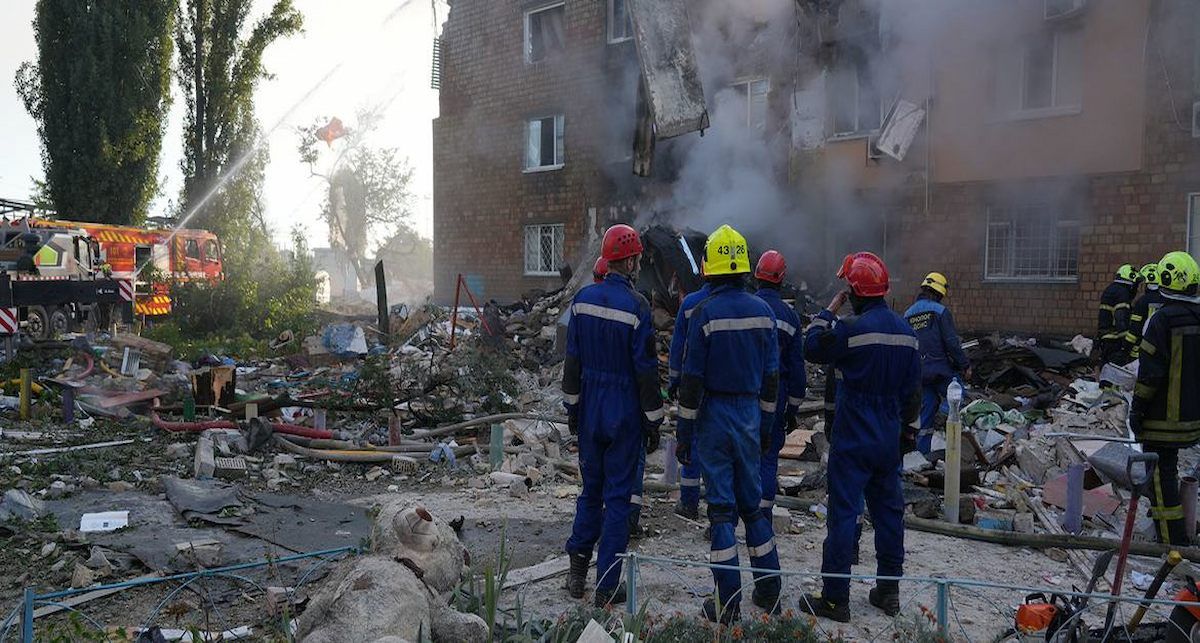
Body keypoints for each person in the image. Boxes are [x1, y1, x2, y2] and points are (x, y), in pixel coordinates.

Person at [800, 252, 921, 623]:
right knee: (888, 516)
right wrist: (906, 434)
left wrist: (828, 310)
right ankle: (888, 590)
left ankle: (836, 600)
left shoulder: (851, 331)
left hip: (853, 438)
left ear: (854, 292)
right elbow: (913, 393)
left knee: (843, 517)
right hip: (888, 437)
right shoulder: (907, 334)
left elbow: (812, 346)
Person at [676, 224, 782, 623]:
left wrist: (684, 436)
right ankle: (769, 588)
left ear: (710, 268)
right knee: (753, 506)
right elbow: (772, 380)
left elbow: (691, 383)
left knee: (721, 511)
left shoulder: (705, 314)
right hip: (750, 415)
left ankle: (727, 602)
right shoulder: (765, 312)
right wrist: (767, 428)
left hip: (714, 417)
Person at [562, 224, 664, 606]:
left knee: (591, 491)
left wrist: (573, 408)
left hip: (590, 409)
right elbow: (646, 372)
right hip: (624, 413)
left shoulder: (583, 301)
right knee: (619, 499)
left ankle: (576, 571)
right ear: (633, 260)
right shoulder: (638, 306)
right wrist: (653, 421)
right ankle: (606, 586)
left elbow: (571, 364)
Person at [1130, 251, 1200, 546]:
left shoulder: (1162, 321)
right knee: (1168, 475)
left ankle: (1173, 541)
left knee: (1160, 479)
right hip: (1192, 418)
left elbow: (1150, 375)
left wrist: (1137, 410)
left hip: (1162, 419)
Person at [753, 250, 806, 520]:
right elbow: (798, 368)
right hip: (777, 394)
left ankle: (726, 518)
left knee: (739, 454)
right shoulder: (790, 316)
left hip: (745, 389)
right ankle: (762, 517)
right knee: (768, 454)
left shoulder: (746, 307)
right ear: (781, 279)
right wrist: (793, 409)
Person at [903, 272, 970, 455]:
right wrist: (964, 365)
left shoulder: (908, 314)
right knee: (956, 395)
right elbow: (951, 342)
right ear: (939, 293)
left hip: (919, 373)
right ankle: (945, 422)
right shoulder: (940, 311)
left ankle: (921, 454)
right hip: (940, 370)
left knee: (926, 412)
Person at [669, 265, 712, 521]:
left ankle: (689, 503)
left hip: (693, 383)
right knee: (719, 448)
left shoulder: (690, 304)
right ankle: (720, 513)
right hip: (728, 390)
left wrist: (674, 380)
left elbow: (677, 347)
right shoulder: (748, 306)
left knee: (692, 441)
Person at [1097, 264, 1139, 365]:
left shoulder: (1111, 289)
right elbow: (1121, 318)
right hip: (1114, 339)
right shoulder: (1122, 293)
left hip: (1105, 337)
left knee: (1106, 368)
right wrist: (1126, 344)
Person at [1125, 262, 1164, 359]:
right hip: (1161, 351)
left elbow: (1134, 330)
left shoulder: (1142, 302)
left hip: (1141, 352)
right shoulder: (1166, 300)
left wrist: (1124, 348)